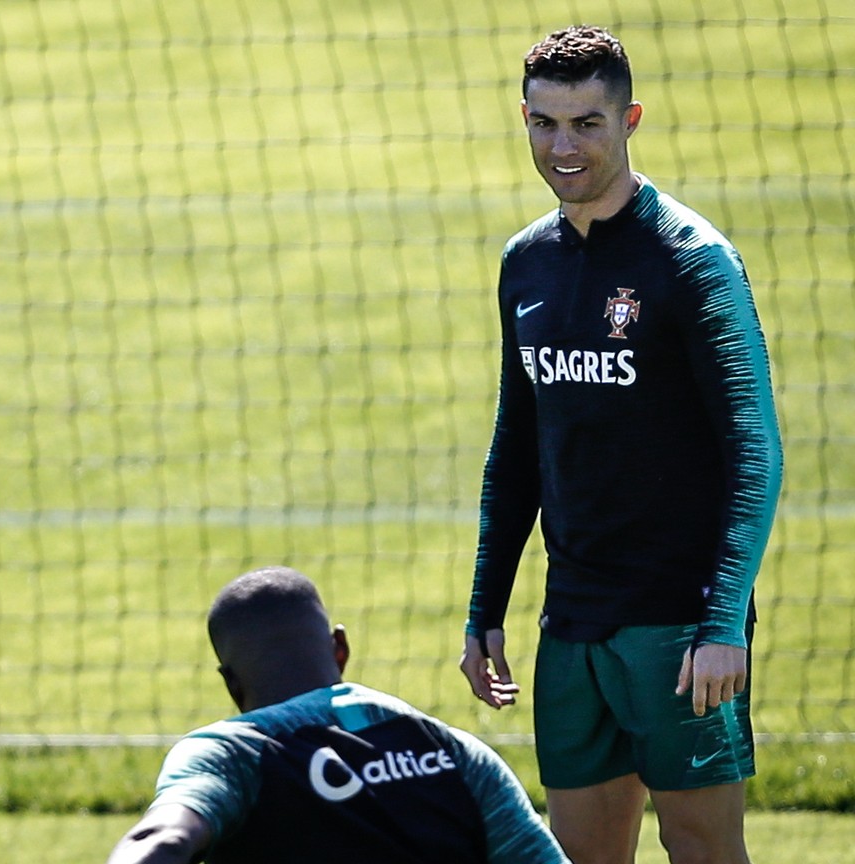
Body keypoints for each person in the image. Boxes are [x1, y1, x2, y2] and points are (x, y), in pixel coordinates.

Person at [458, 25, 782, 864]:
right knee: (582, 853)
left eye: (587, 125)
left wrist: (723, 622)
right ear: (523, 118)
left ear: (630, 119)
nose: (563, 147)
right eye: (543, 124)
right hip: (571, 625)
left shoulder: (695, 262)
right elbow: (517, 446)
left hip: (679, 626)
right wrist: (485, 610)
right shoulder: (525, 263)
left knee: (704, 850)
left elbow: (756, 451)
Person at [108, 566, 569, 864]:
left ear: (232, 683)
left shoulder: (232, 753)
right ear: (340, 647)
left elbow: (163, 842)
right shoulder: (455, 752)